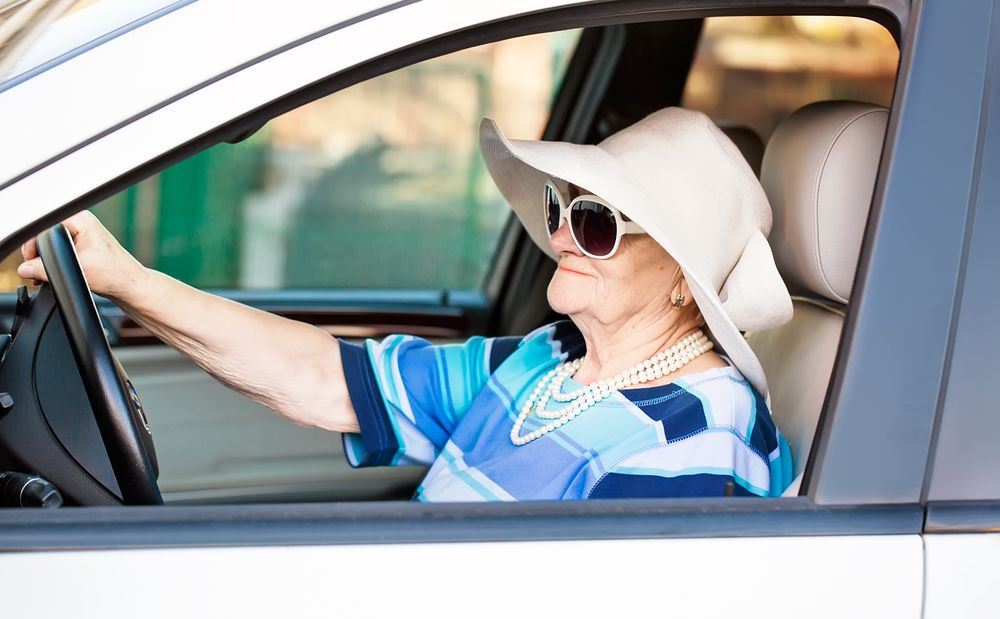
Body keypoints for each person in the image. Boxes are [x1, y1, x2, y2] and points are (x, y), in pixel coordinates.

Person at [18, 107, 794, 501]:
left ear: (682, 281)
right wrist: (125, 278)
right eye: (562, 206)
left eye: (595, 223)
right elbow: (325, 377)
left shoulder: (693, 441)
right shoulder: (546, 361)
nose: (559, 234)